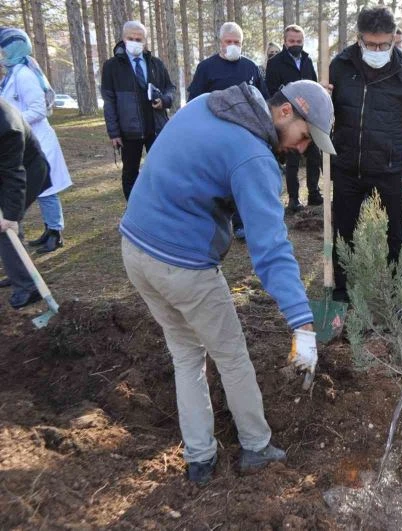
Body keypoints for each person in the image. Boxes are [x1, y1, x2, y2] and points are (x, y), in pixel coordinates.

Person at [120, 80, 336, 485]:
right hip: (181, 264)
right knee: (231, 356)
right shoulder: (253, 156)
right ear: (285, 112)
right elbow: (270, 248)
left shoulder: (211, 102)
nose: (302, 149)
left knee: (186, 354)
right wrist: (301, 321)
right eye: (305, 137)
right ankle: (256, 447)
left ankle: (200, 459)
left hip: (135, 248)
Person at [329, 6, 402, 303]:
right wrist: (319, 96)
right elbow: (321, 114)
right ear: (359, 38)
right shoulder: (340, 65)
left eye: (383, 44)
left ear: (394, 38)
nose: (376, 50)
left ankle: (398, 291)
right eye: (370, 44)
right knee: (342, 232)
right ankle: (341, 290)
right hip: (347, 165)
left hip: (387, 168)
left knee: (394, 235)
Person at [188, 22, 267, 239]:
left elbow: (264, 100)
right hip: (214, 134)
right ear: (220, 43)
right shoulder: (206, 68)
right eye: (228, 42)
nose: (232, 46)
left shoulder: (251, 68)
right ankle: (214, 225)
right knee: (215, 181)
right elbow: (195, 100)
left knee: (242, 179)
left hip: (245, 134)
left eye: (237, 42)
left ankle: (241, 223)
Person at [0, 28, 71, 253]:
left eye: (3, 48)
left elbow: (39, 109)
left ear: (13, 48)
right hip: (21, 141)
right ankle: (48, 229)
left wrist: (13, 123)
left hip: (36, 139)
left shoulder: (24, 75)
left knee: (46, 189)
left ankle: (55, 233)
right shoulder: (13, 73)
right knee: (39, 190)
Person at [101, 21, 176, 201]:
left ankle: (163, 205)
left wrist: (164, 100)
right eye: (131, 38)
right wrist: (114, 133)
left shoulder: (155, 63)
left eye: (139, 39)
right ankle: (134, 210)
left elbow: (170, 88)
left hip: (156, 127)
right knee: (130, 172)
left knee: (162, 168)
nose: (135, 42)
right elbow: (109, 101)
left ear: (145, 41)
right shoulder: (112, 66)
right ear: (123, 39)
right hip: (129, 131)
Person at [0, 97, 51, 307]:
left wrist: (11, 216)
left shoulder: (5, 124)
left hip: (27, 172)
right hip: (6, 171)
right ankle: (17, 271)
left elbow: (14, 173)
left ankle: (28, 287)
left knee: (6, 229)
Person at [265, 25, 322, 212]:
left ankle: (314, 193)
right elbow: (271, 92)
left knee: (314, 156)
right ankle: (293, 199)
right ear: (285, 41)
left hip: (308, 116)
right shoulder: (275, 63)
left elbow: (313, 85)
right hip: (288, 120)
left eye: (299, 41)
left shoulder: (307, 60)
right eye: (292, 41)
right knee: (292, 161)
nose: (295, 44)